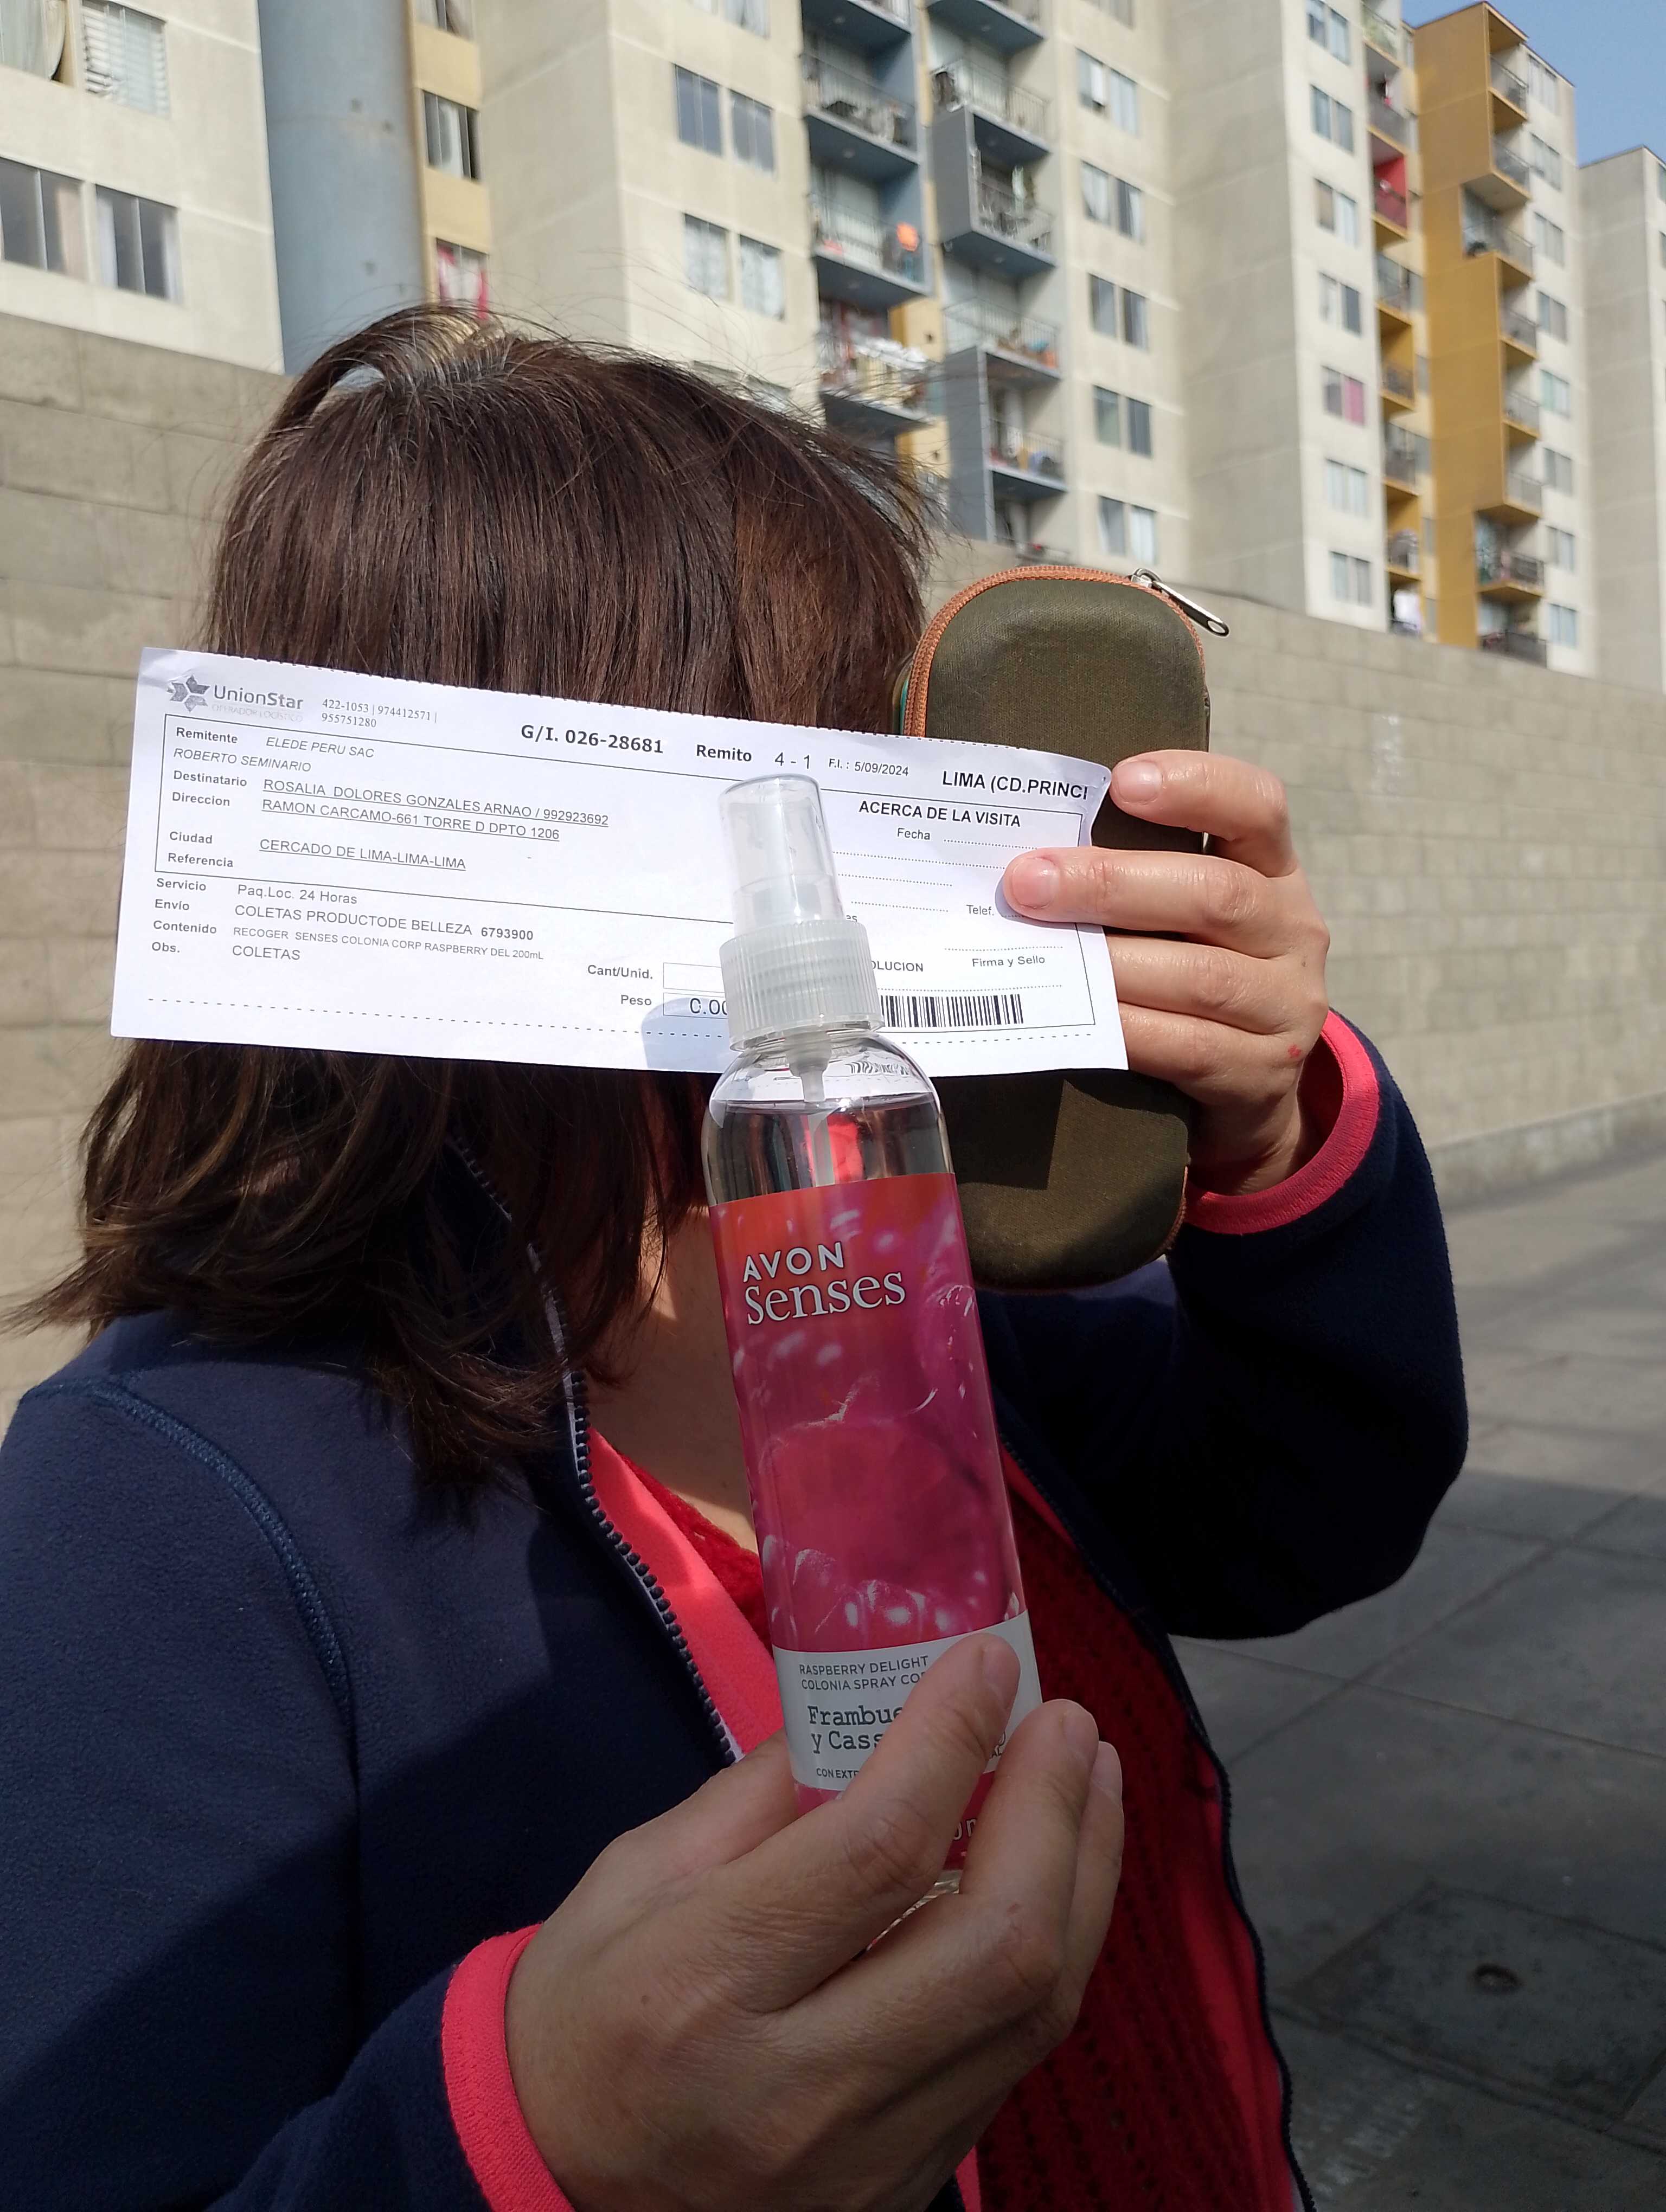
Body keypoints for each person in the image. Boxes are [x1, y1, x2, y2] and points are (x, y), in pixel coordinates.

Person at [0, 308, 1466, 2212]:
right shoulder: (155, 1507)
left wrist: (1272, 1137)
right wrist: (539, 2149)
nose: (907, 815)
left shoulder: (896, 1244)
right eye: (844, 744)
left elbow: (1307, 1525)